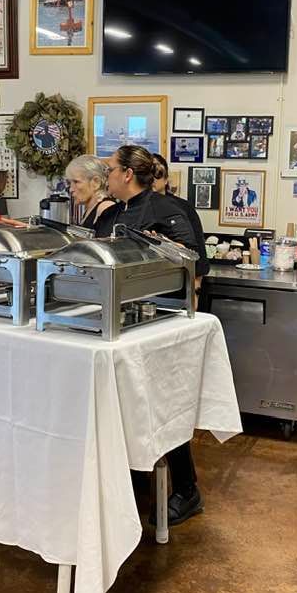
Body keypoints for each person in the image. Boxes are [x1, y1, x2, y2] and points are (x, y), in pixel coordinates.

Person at [96, 145, 203, 526]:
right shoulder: (111, 215)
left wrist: (160, 246)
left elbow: (194, 260)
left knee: (163, 405)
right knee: (125, 404)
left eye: (110, 169)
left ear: (127, 174)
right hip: (117, 320)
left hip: (159, 322)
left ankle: (187, 490)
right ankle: (132, 477)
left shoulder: (167, 209)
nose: (106, 176)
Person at [151, 153, 210, 285]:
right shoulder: (136, 207)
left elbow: (198, 252)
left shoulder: (182, 207)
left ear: (166, 179)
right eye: (148, 174)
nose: (153, 179)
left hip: (180, 277)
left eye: (158, 174)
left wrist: (195, 286)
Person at [65, 154, 115, 230]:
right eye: (69, 183)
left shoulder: (105, 208)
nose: (71, 189)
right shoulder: (90, 208)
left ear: (96, 182)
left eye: (76, 182)